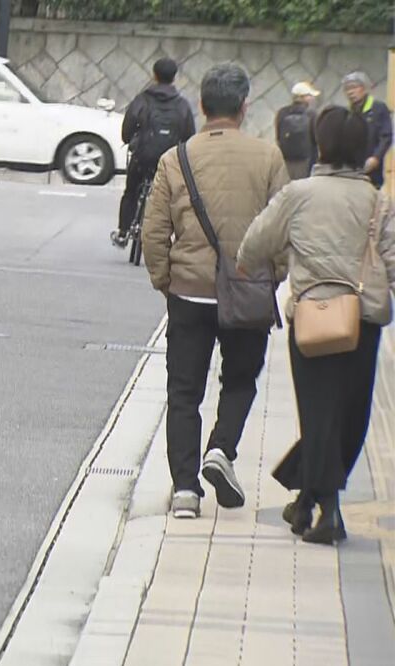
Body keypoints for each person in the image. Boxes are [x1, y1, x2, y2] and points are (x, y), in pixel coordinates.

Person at [238, 106, 395, 545]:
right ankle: (318, 505)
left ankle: (319, 507)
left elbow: (254, 246)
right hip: (363, 321)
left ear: (320, 144)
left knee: (319, 413)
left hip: (312, 318)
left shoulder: (298, 194)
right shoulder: (378, 201)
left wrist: (270, 262)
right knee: (350, 416)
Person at [141, 63, 290, 519]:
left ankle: (185, 491)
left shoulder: (176, 158)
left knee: (184, 391)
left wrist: (166, 280)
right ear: (244, 107)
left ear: (202, 105)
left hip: (189, 293)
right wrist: (272, 276)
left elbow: (154, 231)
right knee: (241, 380)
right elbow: (283, 229)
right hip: (247, 291)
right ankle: (221, 449)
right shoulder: (268, 157)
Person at [112, 57, 196, 248]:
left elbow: (127, 130)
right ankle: (170, 236)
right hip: (169, 160)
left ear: (154, 75)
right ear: (174, 77)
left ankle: (123, 232)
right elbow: (189, 136)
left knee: (131, 191)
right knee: (172, 197)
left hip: (142, 157)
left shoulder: (142, 100)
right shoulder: (182, 105)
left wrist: (130, 140)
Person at [342, 71, 393, 189]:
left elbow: (386, 136)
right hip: (350, 170)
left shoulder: (378, 108)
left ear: (365, 88)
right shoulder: (346, 112)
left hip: (372, 170)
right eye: (347, 89)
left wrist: (376, 157)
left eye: (354, 87)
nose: (350, 92)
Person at [274, 81, 320, 180]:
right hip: (306, 160)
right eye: (309, 95)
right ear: (301, 97)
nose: (312, 98)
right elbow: (317, 138)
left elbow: (278, 136)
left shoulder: (282, 112)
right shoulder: (312, 114)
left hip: (286, 159)